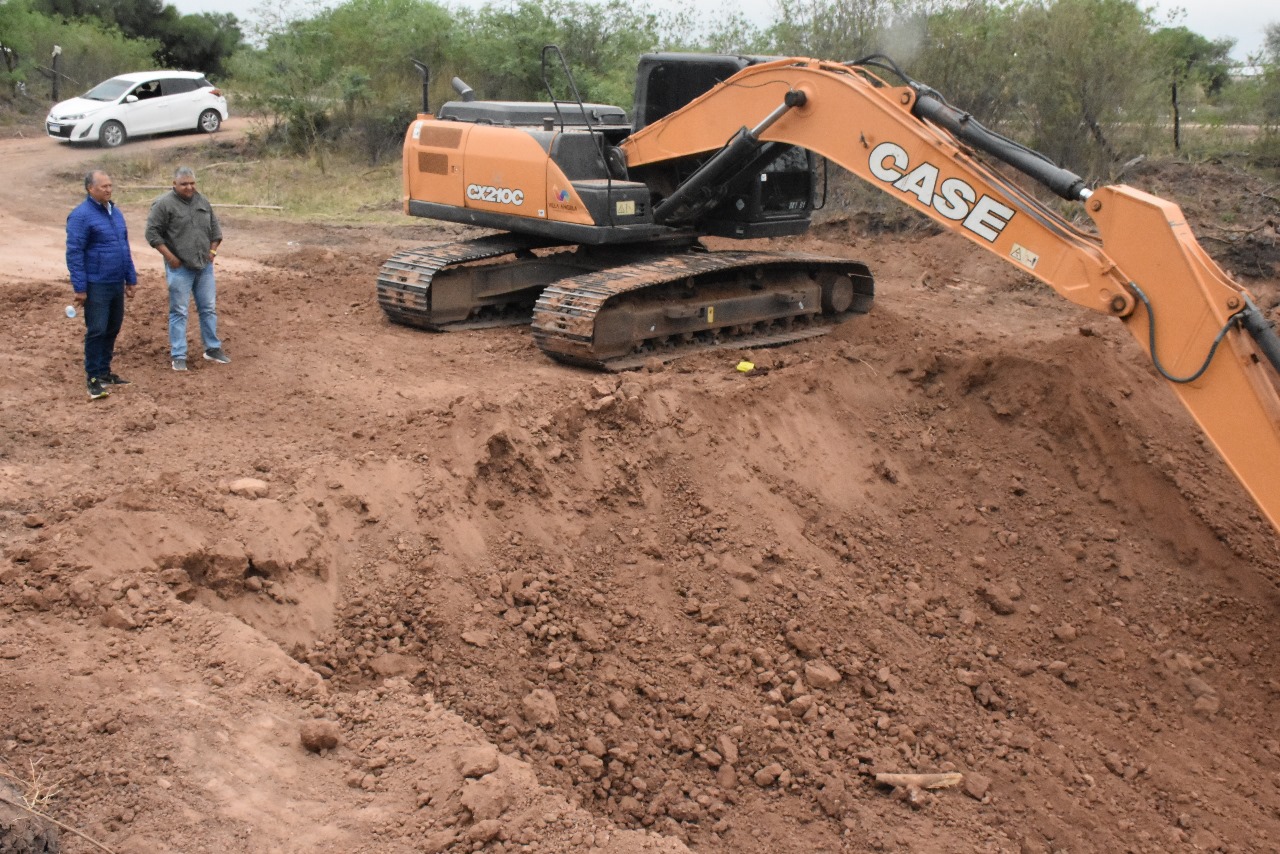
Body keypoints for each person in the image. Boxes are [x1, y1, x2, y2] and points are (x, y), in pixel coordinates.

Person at [145, 166, 229, 372]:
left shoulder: (202, 201)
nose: (189, 187)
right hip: (180, 268)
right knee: (179, 311)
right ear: (174, 184)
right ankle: (179, 355)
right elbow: (152, 234)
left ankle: (212, 348)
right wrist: (171, 258)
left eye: (192, 183)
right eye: (184, 184)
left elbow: (216, 231)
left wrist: (212, 252)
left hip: (204, 267)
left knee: (208, 309)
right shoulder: (163, 204)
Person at [66, 170, 137, 401]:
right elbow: (74, 252)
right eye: (103, 186)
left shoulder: (115, 212)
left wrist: (131, 278)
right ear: (90, 188)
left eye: (110, 185)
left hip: (116, 281)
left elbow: (124, 247)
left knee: (113, 327)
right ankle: (93, 377)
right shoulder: (81, 216)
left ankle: (105, 371)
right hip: (96, 283)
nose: (108, 189)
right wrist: (80, 287)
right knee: (96, 330)